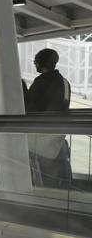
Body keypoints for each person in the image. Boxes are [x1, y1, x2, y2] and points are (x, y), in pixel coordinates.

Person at [26, 48, 71, 187]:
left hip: (39, 139)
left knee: (40, 177)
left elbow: (28, 107)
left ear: (41, 63)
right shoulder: (65, 82)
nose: (35, 65)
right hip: (58, 137)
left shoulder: (41, 82)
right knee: (55, 177)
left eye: (35, 62)